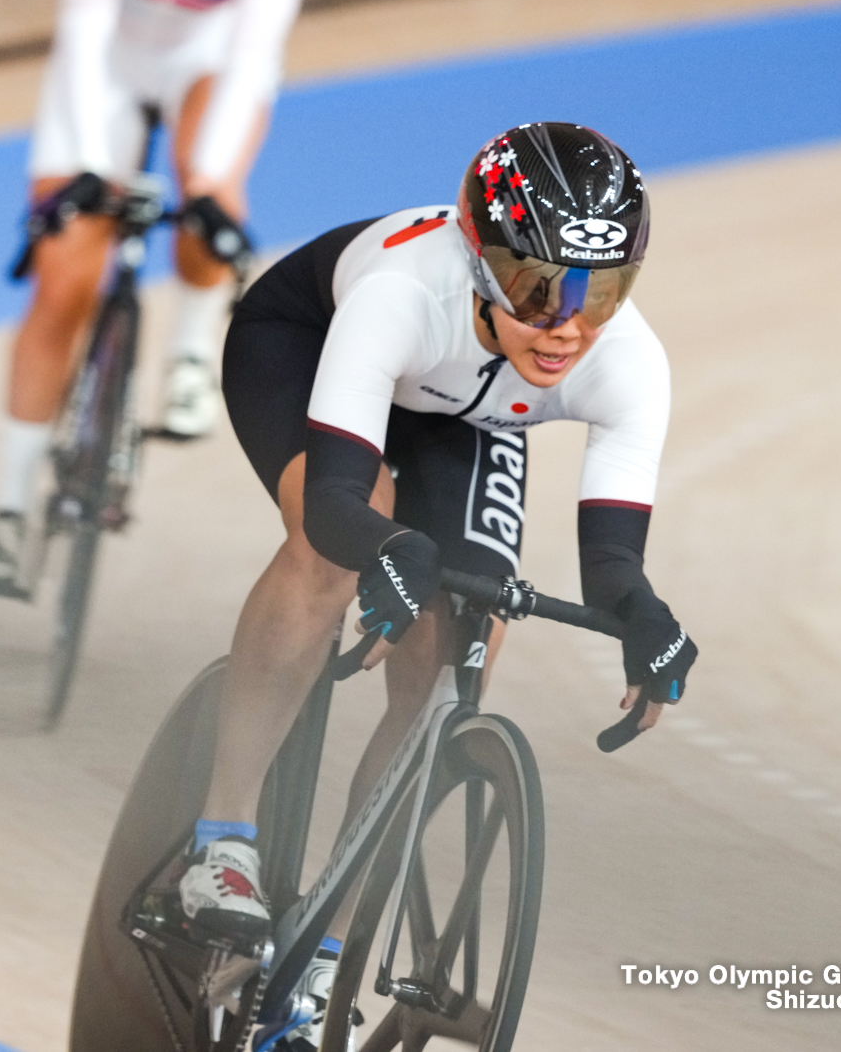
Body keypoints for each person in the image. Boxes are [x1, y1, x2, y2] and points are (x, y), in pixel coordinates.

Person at [176, 123, 698, 1046]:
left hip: (467, 408)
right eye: (541, 289)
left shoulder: (624, 359)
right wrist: (383, 543)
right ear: (483, 261)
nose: (568, 324)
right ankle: (222, 835)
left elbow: (613, 563)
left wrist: (646, 618)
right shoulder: (400, 292)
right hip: (309, 347)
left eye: (602, 291)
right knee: (336, 549)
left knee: (465, 641)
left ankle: (325, 946)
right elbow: (341, 500)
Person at [0, 0, 314, 594]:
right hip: (111, 69)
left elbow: (251, 57)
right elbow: (83, 29)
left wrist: (204, 188)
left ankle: (192, 351)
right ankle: (10, 511)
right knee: (62, 280)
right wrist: (88, 167)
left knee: (211, 191)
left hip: (204, 66)